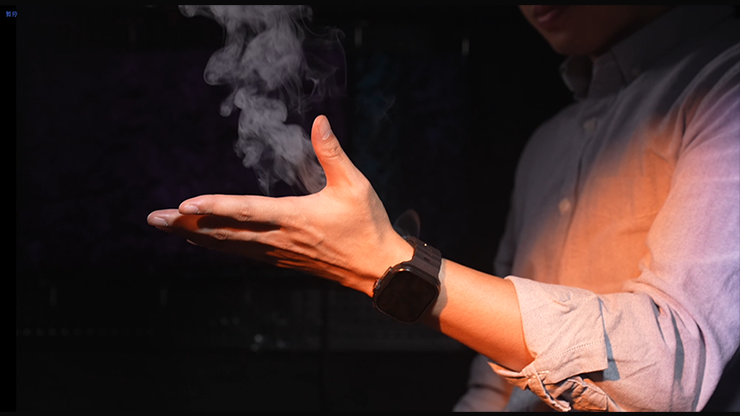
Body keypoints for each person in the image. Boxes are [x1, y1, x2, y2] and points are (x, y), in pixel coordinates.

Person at [147, 5, 739, 411]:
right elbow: (495, 383)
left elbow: (672, 372)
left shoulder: (724, 86)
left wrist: (388, 262)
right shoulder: (548, 144)